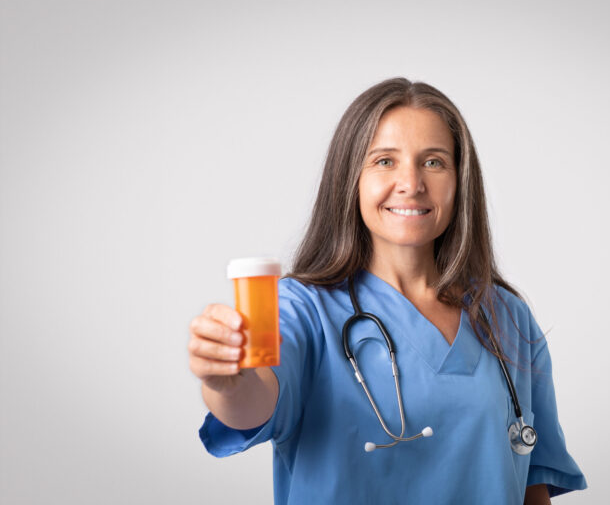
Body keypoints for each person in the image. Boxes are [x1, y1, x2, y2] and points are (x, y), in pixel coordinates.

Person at [187, 77, 587, 504]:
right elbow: (253, 404)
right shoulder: (303, 309)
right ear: (351, 179)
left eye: (433, 162)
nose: (411, 183)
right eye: (384, 161)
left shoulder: (506, 315)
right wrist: (228, 381)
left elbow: (531, 485)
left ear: (459, 180)